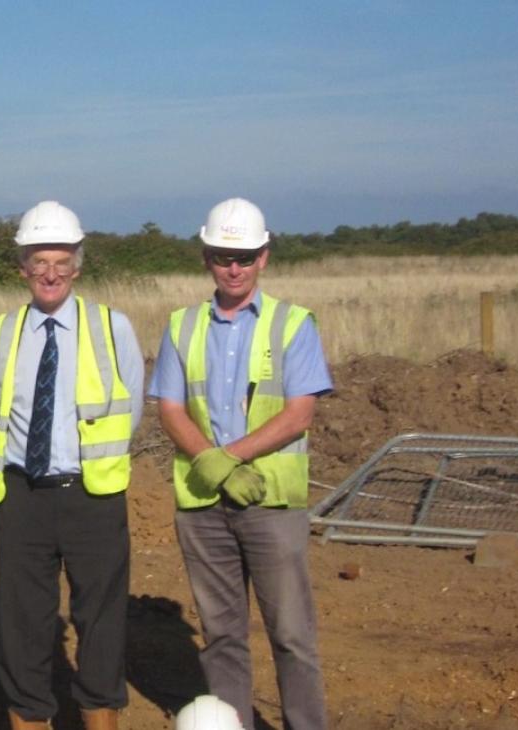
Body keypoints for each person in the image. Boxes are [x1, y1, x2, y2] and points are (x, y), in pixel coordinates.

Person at [148, 197, 331, 729]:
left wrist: (229, 457)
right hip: (204, 508)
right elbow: (170, 408)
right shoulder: (182, 326)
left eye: (245, 257)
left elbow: (299, 414)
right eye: (224, 256)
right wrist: (214, 464)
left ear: (264, 257)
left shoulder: (293, 325)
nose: (234, 267)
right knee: (222, 636)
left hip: (272, 506)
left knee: (292, 636)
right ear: (206, 256)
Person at [0, 201, 144, 730]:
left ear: (78, 265)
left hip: (92, 496)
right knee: (23, 626)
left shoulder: (112, 327)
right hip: (22, 497)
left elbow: (131, 410)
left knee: (99, 624)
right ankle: (30, 715)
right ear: (22, 267)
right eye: (38, 261)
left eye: (61, 261)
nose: (50, 273)